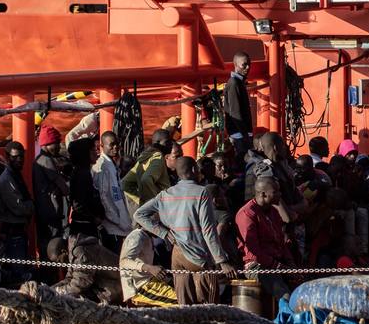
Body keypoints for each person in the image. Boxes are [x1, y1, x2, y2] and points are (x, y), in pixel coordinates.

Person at [136, 156, 237, 305]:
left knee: (184, 306)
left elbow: (139, 214)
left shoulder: (165, 194)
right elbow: (208, 230)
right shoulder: (201, 193)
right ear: (194, 170)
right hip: (199, 254)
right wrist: (222, 261)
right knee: (208, 308)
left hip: (177, 253)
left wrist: (164, 233)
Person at [236, 177, 296, 302]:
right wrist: (279, 266)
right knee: (286, 295)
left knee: (301, 289)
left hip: (277, 262)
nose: (280, 194)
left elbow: (281, 242)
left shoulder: (273, 211)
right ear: (263, 194)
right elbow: (254, 252)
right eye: (276, 191)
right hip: (257, 266)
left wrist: (291, 264)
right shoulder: (247, 214)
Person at [47, 234, 122, 305]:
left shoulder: (80, 252)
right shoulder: (71, 252)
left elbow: (81, 282)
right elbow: (69, 278)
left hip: (112, 287)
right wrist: (50, 290)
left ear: (63, 252)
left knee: (72, 301)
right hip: (100, 285)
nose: (60, 265)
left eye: (59, 261)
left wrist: (58, 291)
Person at [0, 141, 35, 266]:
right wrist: (32, 205)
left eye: (21, 156)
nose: (19, 160)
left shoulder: (15, 174)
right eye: (15, 157)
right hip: (12, 231)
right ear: (7, 157)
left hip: (18, 230)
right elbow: (19, 207)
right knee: (17, 271)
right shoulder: (7, 178)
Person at [32, 124, 70, 251]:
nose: (59, 146)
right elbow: (63, 187)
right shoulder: (47, 161)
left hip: (44, 213)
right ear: (46, 144)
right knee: (54, 245)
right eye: (56, 143)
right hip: (51, 214)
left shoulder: (39, 159)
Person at [92, 131, 132, 246]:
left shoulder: (111, 165)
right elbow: (103, 196)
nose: (115, 148)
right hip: (112, 225)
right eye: (111, 145)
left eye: (117, 144)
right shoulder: (103, 167)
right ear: (102, 146)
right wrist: (115, 218)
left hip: (118, 223)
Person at [122, 129, 174, 211]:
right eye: (168, 142)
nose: (171, 144)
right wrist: (153, 203)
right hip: (156, 210)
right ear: (157, 142)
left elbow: (125, 183)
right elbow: (146, 179)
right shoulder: (158, 157)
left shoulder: (145, 157)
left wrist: (141, 199)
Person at [224, 52, 254, 159]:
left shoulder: (238, 82)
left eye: (249, 64)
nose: (248, 67)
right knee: (243, 162)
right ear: (235, 65)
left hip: (241, 133)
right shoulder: (234, 83)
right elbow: (235, 112)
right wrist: (246, 136)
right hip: (239, 135)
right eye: (244, 65)